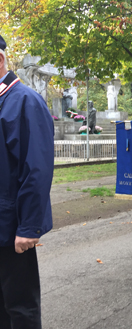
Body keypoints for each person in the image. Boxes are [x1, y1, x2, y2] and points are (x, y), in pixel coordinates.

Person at [0, 35, 54, 329]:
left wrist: (29, 226)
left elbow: (37, 169)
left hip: (11, 228)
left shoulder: (24, 102)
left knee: (20, 308)